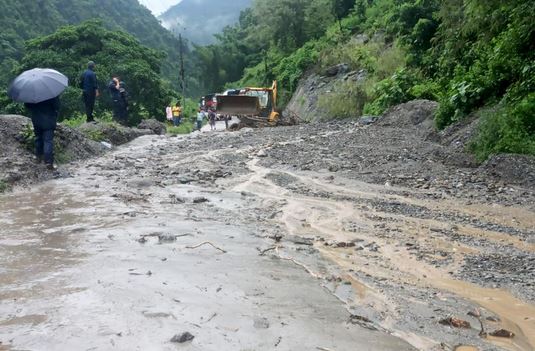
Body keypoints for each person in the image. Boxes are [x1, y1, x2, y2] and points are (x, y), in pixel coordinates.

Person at [25, 97, 60, 170]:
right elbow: (57, 106)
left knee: (38, 138)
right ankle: (48, 162)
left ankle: (38, 158)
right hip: (49, 120)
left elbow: (27, 105)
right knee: (48, 141)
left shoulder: (32, 94)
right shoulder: (51, 94)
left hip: (36, 120)